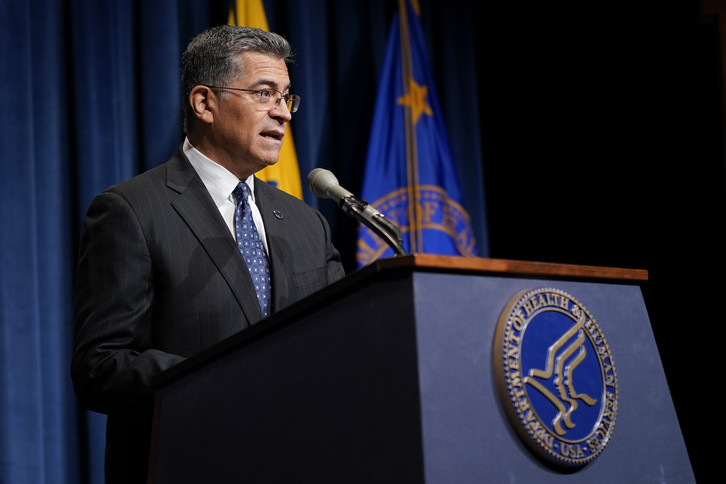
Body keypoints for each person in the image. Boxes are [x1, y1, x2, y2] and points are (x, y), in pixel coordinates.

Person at [71, 25, 345, 483]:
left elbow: (342, 344)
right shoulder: (132, 210)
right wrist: (221, 378)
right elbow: (101, 367)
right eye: (264, 93)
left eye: (287, 98)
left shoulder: (307, 223)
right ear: (204, 103)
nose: (282, 113)